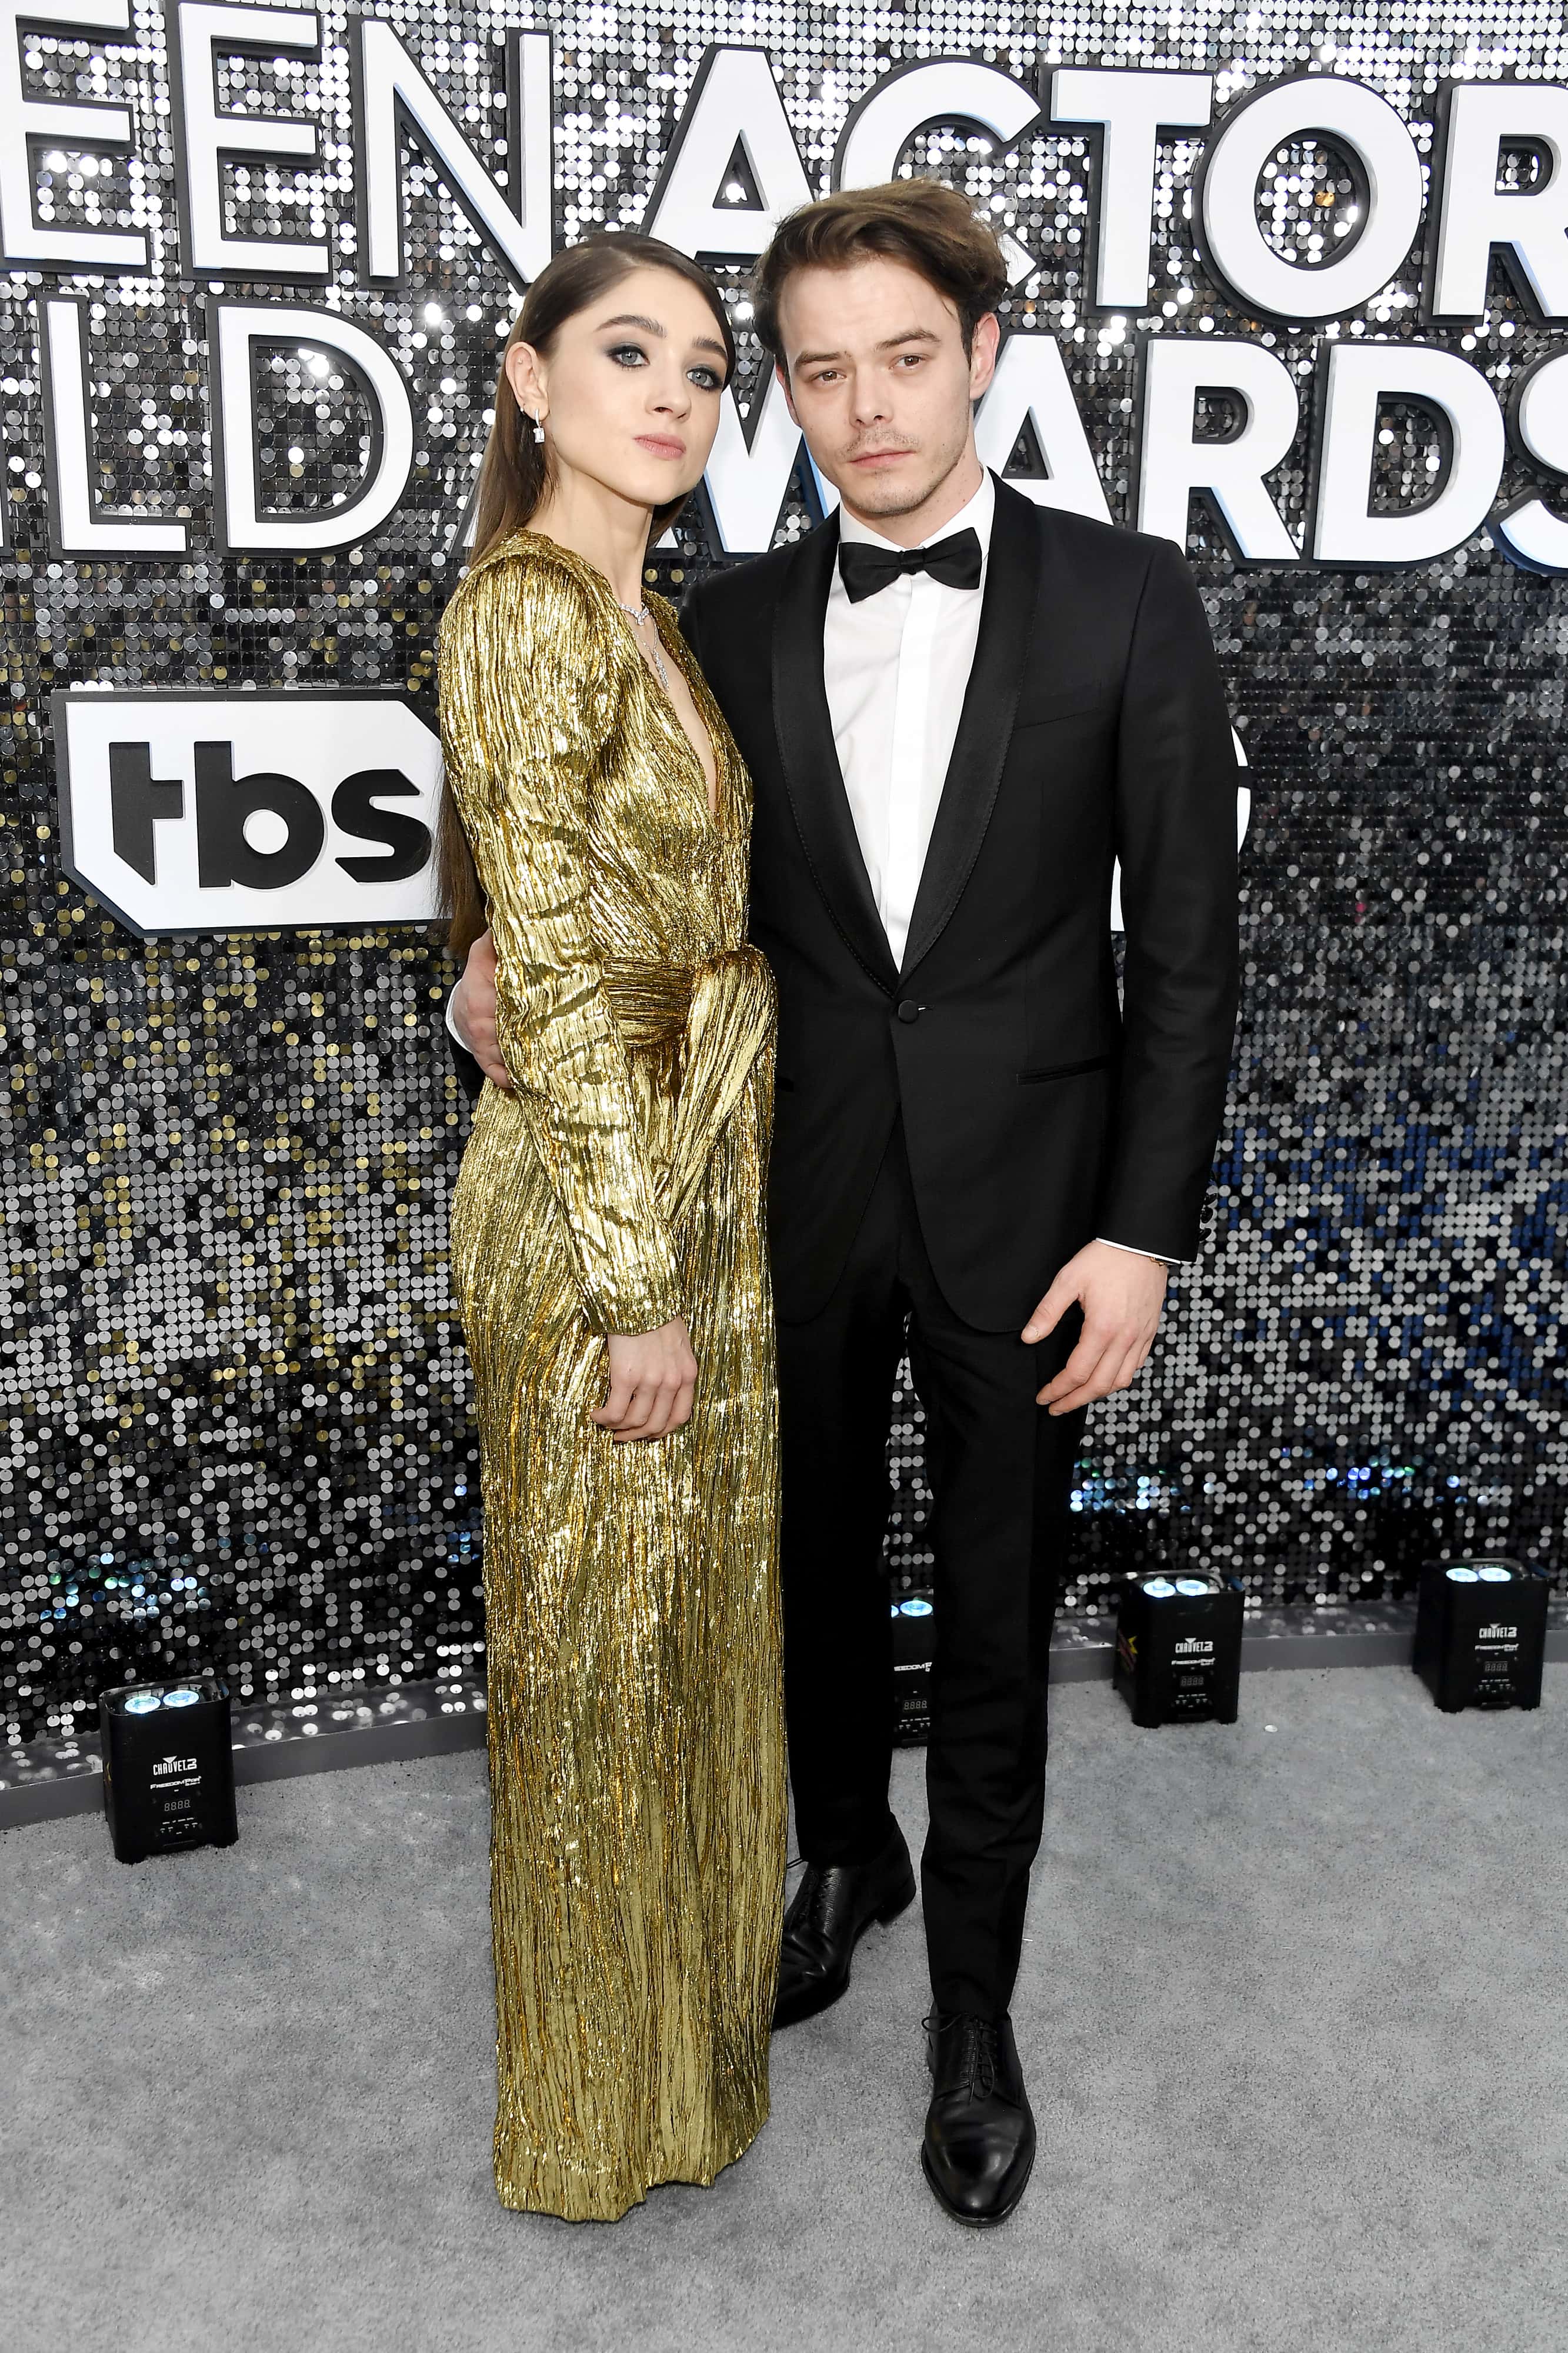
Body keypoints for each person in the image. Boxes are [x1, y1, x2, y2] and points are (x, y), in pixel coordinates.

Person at [449, 180, 1240, 2227]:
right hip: (767, 1215)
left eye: (906, 357)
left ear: (981, 356)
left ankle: (971, 2008)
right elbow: (623, 885)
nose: (866, 406)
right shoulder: (717, 620)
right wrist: (492, 974)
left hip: (1033, 1220)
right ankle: (842, 1855)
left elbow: (1192, 953)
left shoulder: (1129, 599)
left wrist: (1140, 1232)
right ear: (782, 399)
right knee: (790, 1583)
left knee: (992, 1616)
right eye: (814, 371)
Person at [433, 231, 786, 2223]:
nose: (673, 392)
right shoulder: (524, 611)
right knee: (592, 1675)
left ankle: (680, 2087)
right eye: (628, 351)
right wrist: (635, 1287)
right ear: (528, 378)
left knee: (680, 1657)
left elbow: (570, 922)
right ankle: (585, 2123)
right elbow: (559, 959)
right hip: (600, 1227)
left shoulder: (648, 619)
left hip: (693, 1175)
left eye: (708, 369)